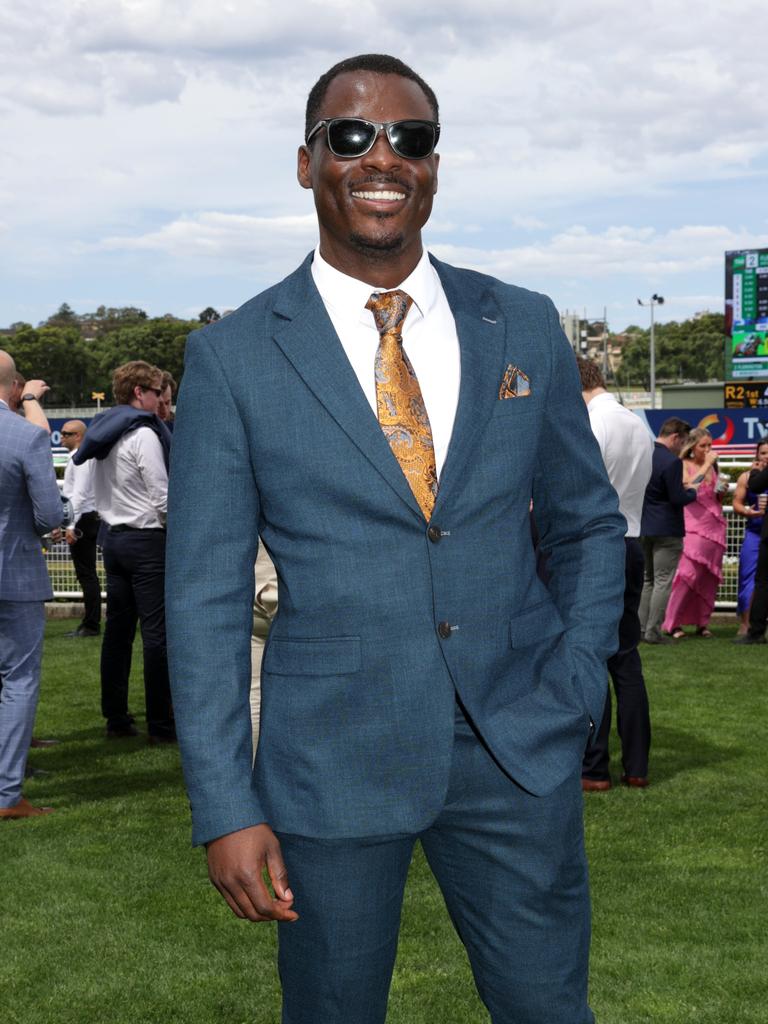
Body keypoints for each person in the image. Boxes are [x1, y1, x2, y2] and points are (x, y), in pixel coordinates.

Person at [166, 54, 626, 1024]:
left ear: (434, 167)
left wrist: (579, 676)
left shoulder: (525, 325)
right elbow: (204, 598)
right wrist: (225, 803)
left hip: (517, 748)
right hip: (326, 764)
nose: (384, 157)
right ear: (307, 163)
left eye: (410, 138)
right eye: (352, 135)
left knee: (551, 1010)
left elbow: (587, 524)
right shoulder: (233, 357)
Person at [73, 361, 175, 742]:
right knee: (156, 636)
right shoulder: (143, 433)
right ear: (139, 393)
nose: (159, 400)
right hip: (146, 540)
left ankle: (116, 718)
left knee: (118, 634)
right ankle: (162, 724)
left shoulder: (103, 430)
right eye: (155, 392)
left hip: (112, 539)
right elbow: (161, 496)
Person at [576, 358, 653, 791]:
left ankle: (595, 767)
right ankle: (637, 764)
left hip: (596, 546)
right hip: (631, 542)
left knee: (591, 655)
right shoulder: (636, 424)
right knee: (625, 658)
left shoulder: (591, 422)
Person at [0, 350, 63, 819]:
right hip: (13, 572)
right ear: (14, 388)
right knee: (18, 682)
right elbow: (49, 515)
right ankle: (6, 795)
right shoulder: (24, 437)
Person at [638, 417, 713, 644]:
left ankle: (641, 629)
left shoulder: (642, 454)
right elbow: (677, 498)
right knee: (662, 581)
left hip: (643, 526)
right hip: (667, 529)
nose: (683, 448)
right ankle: (653, 632)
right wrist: (692, 491)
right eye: (683, 443)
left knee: (646, 580)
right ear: (675, 437)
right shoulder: (671, 462)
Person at [662, 429, 726, 639]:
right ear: (692, 447)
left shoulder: (713, 468)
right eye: (703, 446)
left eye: (710, 445)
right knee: (687, 575)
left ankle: (702, 622)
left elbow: (717, 498)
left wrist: (721, 489)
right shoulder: (683, 465)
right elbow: (688, 489)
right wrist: (707, 464)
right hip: (693, 527)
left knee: (709, 577)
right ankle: (672, 623)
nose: (708, 450)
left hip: (715, 526)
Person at [59, 419, 102, 638]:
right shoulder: (79, 458)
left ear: (78, 436)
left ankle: (91, 624)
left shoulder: (81, 459)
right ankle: (90, 622)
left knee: (86, 574)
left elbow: (79, 494)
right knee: (86, 574)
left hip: (84, 518)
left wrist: (70, 525)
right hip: (85, 516)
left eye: (67, 433)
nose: (62, 436)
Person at [732, 440, 768, 634]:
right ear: (757, 455)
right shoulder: (746, 477)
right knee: (748, 578)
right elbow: (737, 502)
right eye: (763, 453)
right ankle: (746, 623)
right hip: (754, 533)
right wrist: (747, 512)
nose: (766, 457)